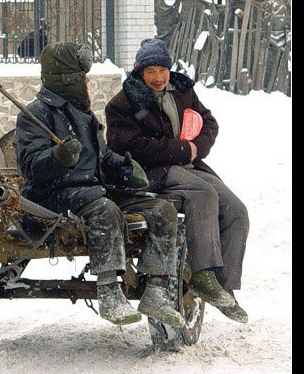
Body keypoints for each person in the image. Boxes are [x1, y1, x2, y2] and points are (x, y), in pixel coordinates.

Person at [14, 42, 185, 328]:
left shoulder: (84, 115)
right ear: (66, 80)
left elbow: (102, 156)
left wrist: (123, 167)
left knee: (162, 210)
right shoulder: (35, 116)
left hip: (95, 190)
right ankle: (108, 290)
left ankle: (155, 289)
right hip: (54, 195)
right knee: (105, 211)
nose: (86, 82)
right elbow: (31, 168)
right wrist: (58, 157)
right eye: (82, 77)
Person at [104, 38, 249, 323]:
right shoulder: (123, 103)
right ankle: (201, 274)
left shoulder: (182, 90)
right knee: (204, 194)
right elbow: (129, 147)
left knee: (236, 209)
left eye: (162, 70)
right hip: (149, 172)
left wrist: (196, 148)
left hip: (188, 164)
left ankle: (225, 285)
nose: (158, 78)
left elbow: (209, 123)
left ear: (169, 69)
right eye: (150, 72)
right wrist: (182, 149)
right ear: (138, 71)